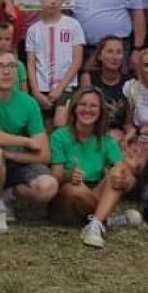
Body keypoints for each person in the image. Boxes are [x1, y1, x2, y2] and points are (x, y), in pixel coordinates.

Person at [0, 49, 56, 234]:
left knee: (48, 187)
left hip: (15, 162)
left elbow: (44, 154)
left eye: (11, 66)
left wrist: (10, 155)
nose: (6, 71)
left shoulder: (28, 102)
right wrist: (26, 141)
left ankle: (7, 196)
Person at [48, 86, 140, 249]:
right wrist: (70, 176)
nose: (87, 110)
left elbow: (127, 175)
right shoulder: (59, 136)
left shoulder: (107, 141)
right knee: (75, 189)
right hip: (66, 197)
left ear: (100, 112)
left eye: (93, 106)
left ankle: (95, 224)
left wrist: (126, 181)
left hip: (94, 190)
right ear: (74, 109)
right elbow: (56, 176)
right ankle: (106, 219)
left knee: (118, 172)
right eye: (83, 105)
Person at [26, 0, 86, 127]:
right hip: (42, 88)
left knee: (60, 122)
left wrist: (60, 88)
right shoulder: (33, 29)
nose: (53, 1)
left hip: (66, 86)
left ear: (63, 1)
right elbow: (31, 63)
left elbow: (77, 60)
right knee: (45, 127)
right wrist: (36, 91)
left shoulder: (73, 25)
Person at [80, 37, 134, 146]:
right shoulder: (88, 78)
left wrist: (126, 138)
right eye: (110, 51)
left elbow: (128, 123)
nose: (114, 57)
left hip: (118, 133)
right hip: (92, 129)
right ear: (100, 56)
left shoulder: (129, 83)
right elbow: (84, 111)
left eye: (119, 52)